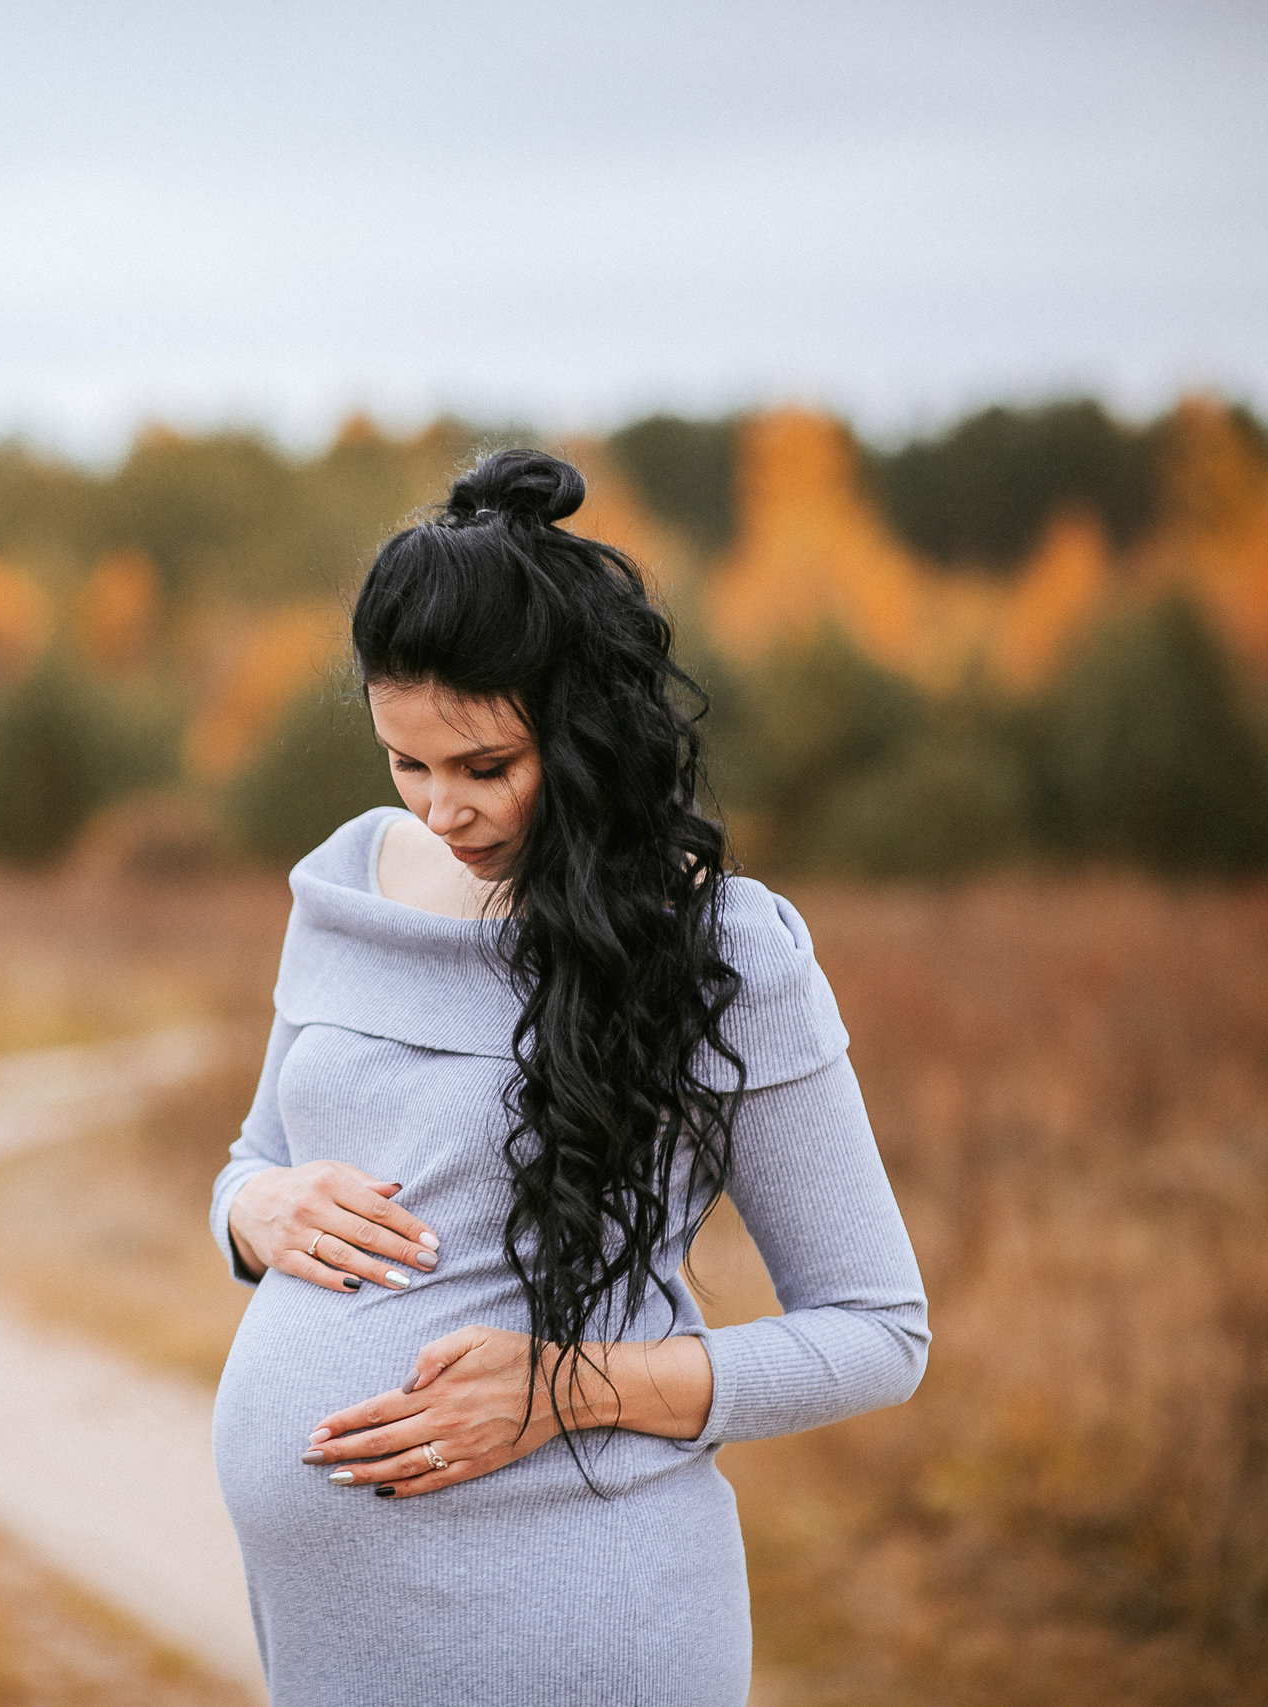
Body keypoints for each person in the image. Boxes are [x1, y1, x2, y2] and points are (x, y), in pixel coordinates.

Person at [208, 448, 929, 1706]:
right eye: (404, 762)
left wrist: (566, 1391)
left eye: (486, 768)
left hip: (577, 1616)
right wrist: (248, 1215)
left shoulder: (719, 951)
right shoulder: (344, 882)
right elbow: (257, 1156)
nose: (439, 810)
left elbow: (878, 1334)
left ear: (586, 734)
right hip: (330, 1644)